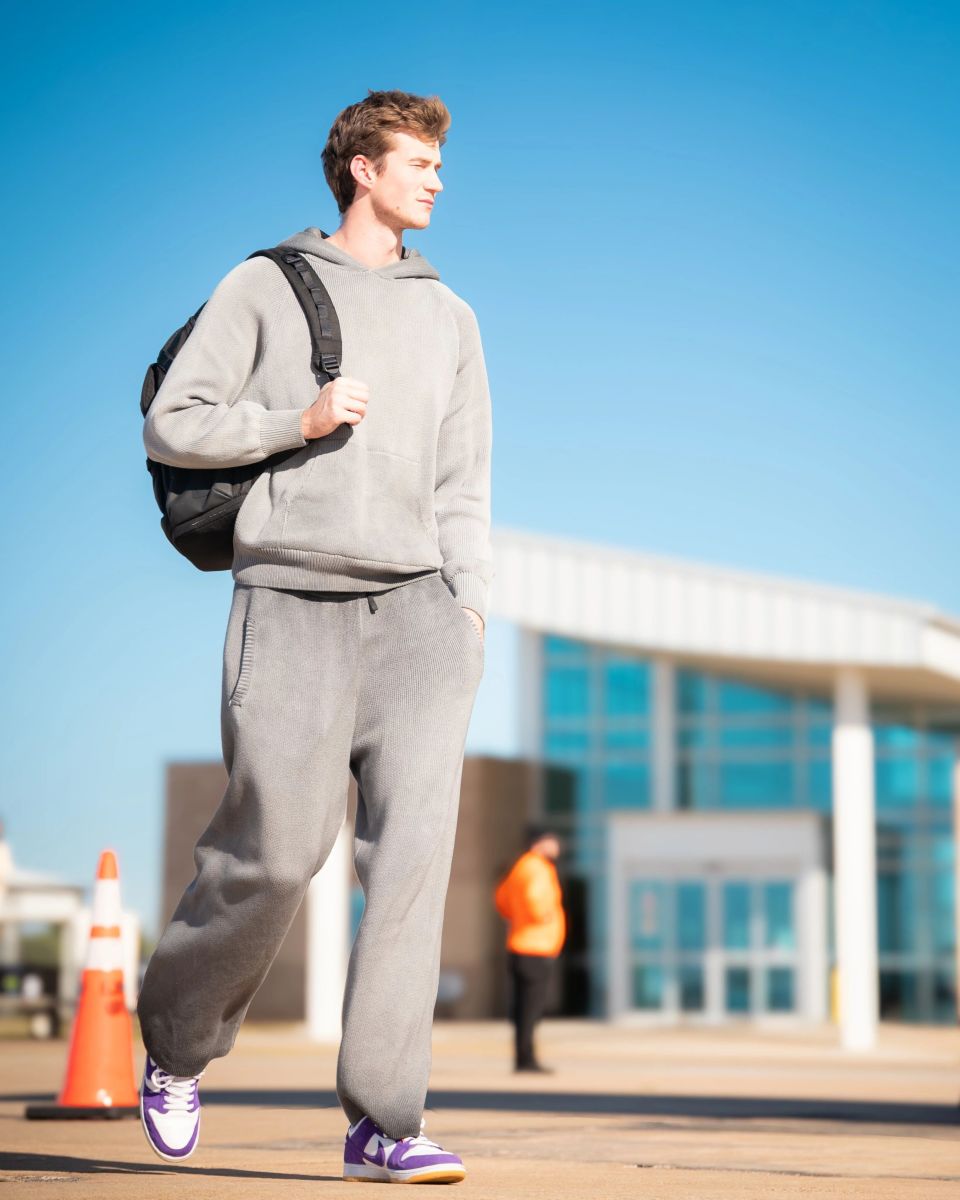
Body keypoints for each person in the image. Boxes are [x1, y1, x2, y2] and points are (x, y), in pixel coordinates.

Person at [136, 90, 492, 1186]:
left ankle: (385, 1120)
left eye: (439, 164)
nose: (437, 180)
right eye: (419, 162)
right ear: (362, 170)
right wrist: (299, 421)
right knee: (277, 853)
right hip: (291, 599)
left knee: (412, 873)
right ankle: (177, 1043)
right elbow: (174, 421)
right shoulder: (264, 284)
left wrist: (470, 610)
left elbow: (463, 486)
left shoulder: (452, 317)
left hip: (422, 617)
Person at [494, 826, 566, 1073]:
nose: (557, 846)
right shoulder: (538, 867)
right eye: (552, 841)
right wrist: (544, 915)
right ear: (539, 843)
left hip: (519, 944)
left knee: (523, 1007)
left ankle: (523, 1056)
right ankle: (527, 1059)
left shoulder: (520, 866)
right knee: (531, 1008)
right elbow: (536, 900)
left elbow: (501, 899)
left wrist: (519, 916)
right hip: (536, 947)